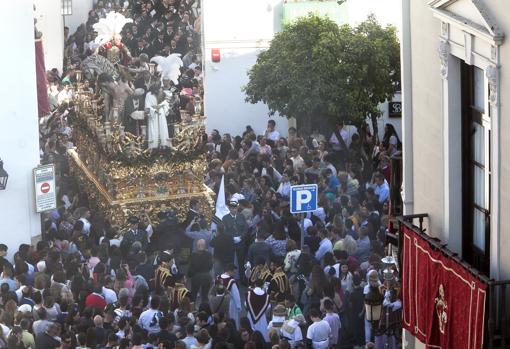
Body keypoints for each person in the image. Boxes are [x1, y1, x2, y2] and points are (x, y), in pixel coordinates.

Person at [187, 239, 212, 304]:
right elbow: (210, 266)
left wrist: (190, 275)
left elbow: (191, 267)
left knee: (193, 295)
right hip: (206, 276)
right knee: (205, 296)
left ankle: (193, 310)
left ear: (197, 246)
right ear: (205, 246)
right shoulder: (209, 254)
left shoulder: (193, 255)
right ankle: (204, 310)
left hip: (196, 276)